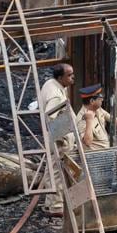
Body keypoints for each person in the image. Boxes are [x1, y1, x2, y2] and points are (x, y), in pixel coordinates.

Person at [40, 63, 76, 217]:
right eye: (69, 75)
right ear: (60, 77)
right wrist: (61, 139)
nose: (72, 77)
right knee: (58, 171)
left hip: (57, 136)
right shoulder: (55, 94)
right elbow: (51, 116)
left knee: (52, 169)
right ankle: (57, 206)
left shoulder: (52, 84)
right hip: (59, 138)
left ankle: (50, 203)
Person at [76, 83, 117, 151]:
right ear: (92, 101)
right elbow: (87, 142)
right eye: (100, 99)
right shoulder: (82, 119)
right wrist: (89, 121)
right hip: (95, 156)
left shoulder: (97, 109)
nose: (102, 100)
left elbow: (112, 119)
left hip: (105, 151)